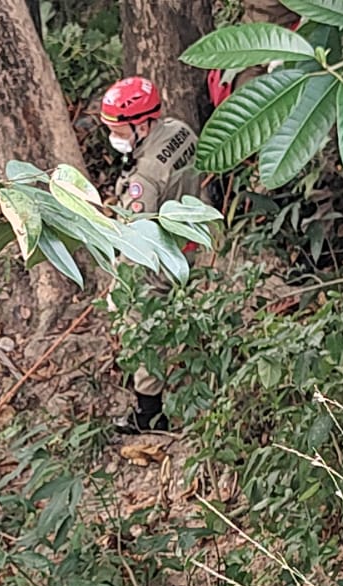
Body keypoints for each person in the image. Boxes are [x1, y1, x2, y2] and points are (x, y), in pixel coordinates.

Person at [100, 76, 203, 434]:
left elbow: (137, 234)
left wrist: (121, 281)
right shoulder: (180, 131)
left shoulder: (144, 177)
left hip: (158, 259)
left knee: (140, 326)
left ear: (142, 125)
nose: (114, 137)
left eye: (118, 131)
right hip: (189, 240)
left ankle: (149, 413)